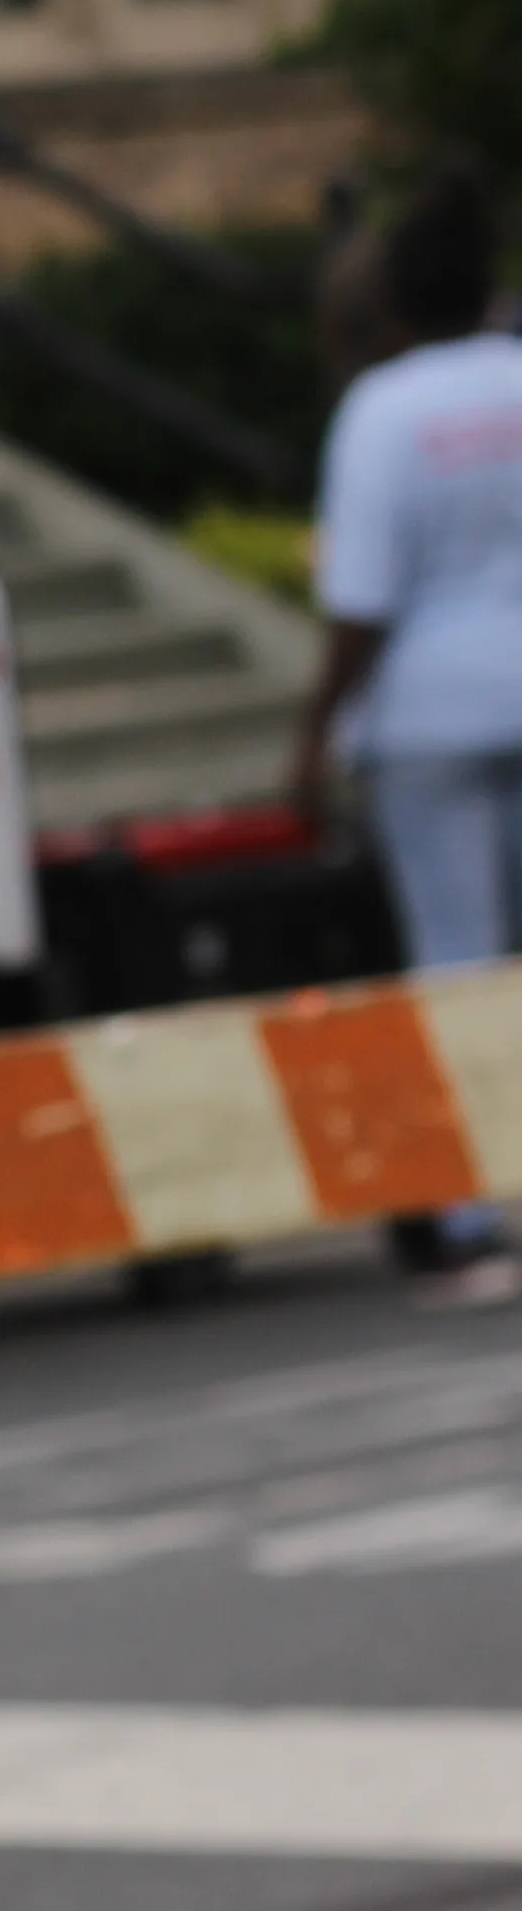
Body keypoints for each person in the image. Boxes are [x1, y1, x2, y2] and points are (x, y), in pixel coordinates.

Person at [301, 165, 522, 1276]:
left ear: (392, 304)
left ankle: (466, 1217)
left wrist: (311, 741)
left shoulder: (383, 412)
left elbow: (361, 609)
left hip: (429, 721)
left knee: (456, 964)